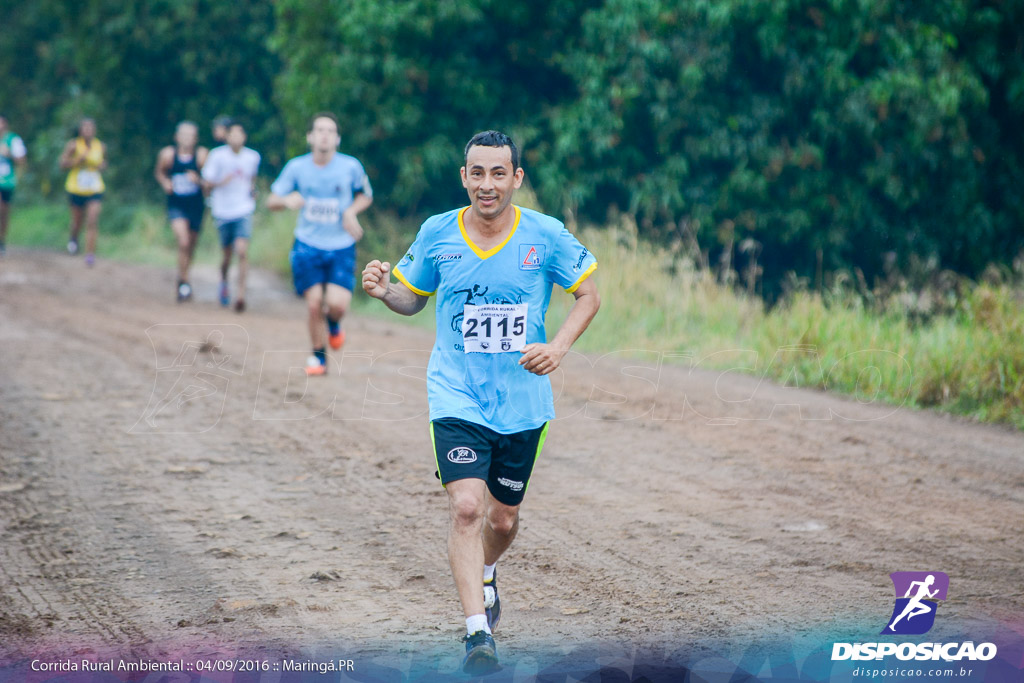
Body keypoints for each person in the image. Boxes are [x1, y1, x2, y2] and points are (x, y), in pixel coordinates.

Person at [361, 131, 600, 674]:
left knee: (504, 520)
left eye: (498, 173)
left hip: (522, 400)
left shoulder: (546, 234)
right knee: (467, 508)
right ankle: (477, 636)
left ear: (516, 177)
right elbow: (409, 298)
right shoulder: (438, 232)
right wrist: (383, 292)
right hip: (456, 392)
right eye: (476, 173)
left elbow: (590, 295)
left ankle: (487, 572)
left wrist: (558, 347)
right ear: (463, 176)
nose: (486, 185)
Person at [267, 112, 373, 376]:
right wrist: (286, 201)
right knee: (314, 303)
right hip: (307, 244)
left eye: (330, 131)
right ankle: (318, 356)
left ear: (337, 139)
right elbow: (272, 200)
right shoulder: (296, 167)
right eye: (319, 130)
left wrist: (350, 212)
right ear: (310, 137)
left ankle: (334, 324)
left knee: (337, 305)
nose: (324, 135)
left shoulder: (350, 166)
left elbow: (366, 196)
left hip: (341, 246)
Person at [201, 120, 260, 312]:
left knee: (242, 251)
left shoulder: (253, 157)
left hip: (243, 209)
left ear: (244, 137)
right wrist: (221, 182)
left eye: (239, 134)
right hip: (222, 210)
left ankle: (241, 295)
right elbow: (206, 184)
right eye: (232, 134)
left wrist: (253, 191)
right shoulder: (217, 156)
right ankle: (224, 281)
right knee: (227, 254)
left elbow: (252, 180)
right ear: (227, 137)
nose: (236, 138)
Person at [155, 121, 209, 301]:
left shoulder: (201, 156)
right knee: (183, 241)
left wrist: (199, 181)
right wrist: (165, 183)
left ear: (196, 139)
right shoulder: (168, 155)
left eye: (191, 135)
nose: (187, 139)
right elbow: (160, 172)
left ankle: (183, 277)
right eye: (183, 134)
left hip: (196, 206)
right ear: (176, 137)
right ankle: (184, 281)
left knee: (191, 245)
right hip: (176, 204)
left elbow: (209, 181)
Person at [60, 118, 107, 266]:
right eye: (85, 128)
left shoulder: (100, 146)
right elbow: (62, 164)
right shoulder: (73, 145)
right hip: (76, 188)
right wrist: (78, 160)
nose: (88, 131)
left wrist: (102, 165)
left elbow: (104, 164)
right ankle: (74, 238)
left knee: (93, 219)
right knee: (77, 221)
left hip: (94, 188)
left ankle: (90, 254)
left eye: (90, 128)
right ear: (80, 130)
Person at [0, 115, 27, 256]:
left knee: (3, 212)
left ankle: (2, 240)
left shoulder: (13, 140)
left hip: (7, 182)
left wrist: (9, 154)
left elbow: (22, 160)